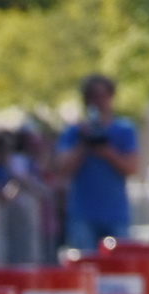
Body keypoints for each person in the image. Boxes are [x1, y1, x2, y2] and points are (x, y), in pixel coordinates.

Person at [56, 73, 138, 247]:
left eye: (103, 95)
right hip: (82, 214)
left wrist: (106, 151)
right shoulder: (74, 132)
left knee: (117, 270)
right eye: (93, 96)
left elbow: (132, 167)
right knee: (85, 265)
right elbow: (62, 169)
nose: (98, 101)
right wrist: (83, 144)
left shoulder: (124, 129)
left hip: (116, 213)